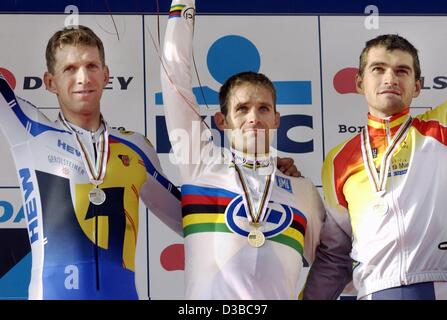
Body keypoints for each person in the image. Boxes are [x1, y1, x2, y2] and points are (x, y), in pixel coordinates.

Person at [0, 25, 182, 299]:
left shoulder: (136, 147)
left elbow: (190, 218)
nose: (83, 77)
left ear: (106, 75)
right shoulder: (29, 131)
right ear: (50, 82)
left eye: (91, 66)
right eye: (70, 68)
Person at [161, 0, 325, 299]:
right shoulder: (201, 165)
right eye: (242, 108)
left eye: (263, 108)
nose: (254, 117)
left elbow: (332, 266)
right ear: (222, 120)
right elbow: (174, 78)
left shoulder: (303, 190)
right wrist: (182, 7)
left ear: (277, 119)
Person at [303, 34, 447, 300]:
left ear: (417, 86)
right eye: (378, 69)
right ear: (360, 83)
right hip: (373, 291)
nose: (390, 78)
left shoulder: (440, 129)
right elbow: (335, 256)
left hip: (438, 283)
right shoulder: (338, 160)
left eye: (401, 71)